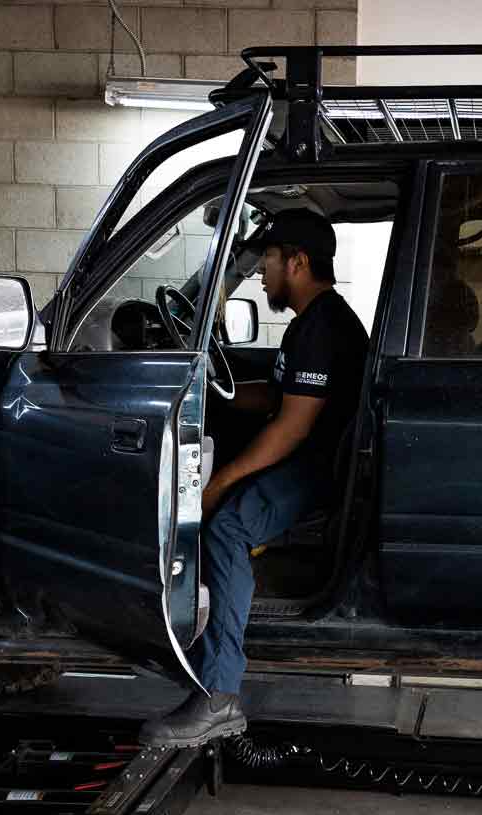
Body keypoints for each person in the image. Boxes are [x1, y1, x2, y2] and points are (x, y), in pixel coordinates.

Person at [140, 209, 368, 747]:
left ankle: (219, 695)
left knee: (226, 528)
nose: (262, 271)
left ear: (297, 262)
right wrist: (213, 390)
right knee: (221, 500)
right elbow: (278, 395)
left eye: (267, 258)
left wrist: (219, 485)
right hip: (306, 452)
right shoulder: (312, 321)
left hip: (316, 467)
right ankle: (203, 649)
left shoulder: (324, 327)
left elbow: (291, 427)